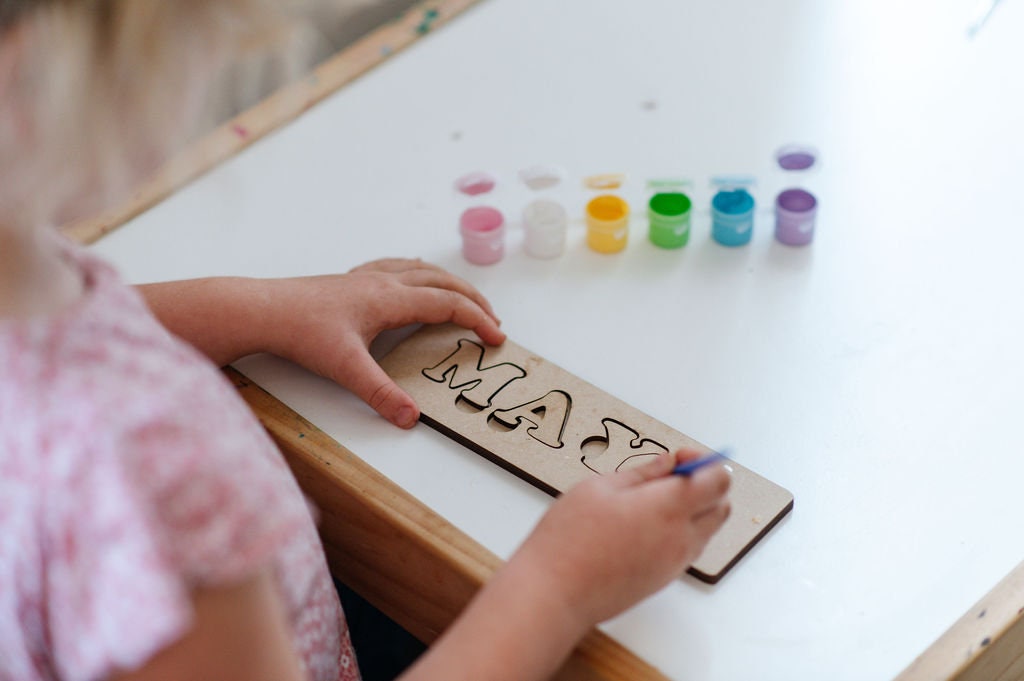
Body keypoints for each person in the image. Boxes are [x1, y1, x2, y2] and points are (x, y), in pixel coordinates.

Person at [0, 2, 732, 680]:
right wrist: (560, 585)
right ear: (33, 79)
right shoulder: (160, 480)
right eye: (199, 37)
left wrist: (263, 308)